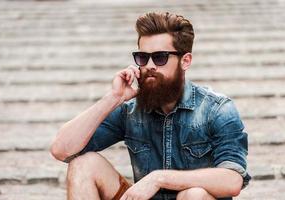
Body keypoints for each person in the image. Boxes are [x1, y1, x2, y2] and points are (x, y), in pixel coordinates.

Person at [50, 12, 250, 200]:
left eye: (160, 57)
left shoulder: (217, 109)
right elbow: (62, 150)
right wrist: (113, 97)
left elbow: (233, 179)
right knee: (83, 164)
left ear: (185, 60)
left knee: (194, 195)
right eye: (143, 58)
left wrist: (159, 178)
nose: (150, 65)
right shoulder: (131, 110)